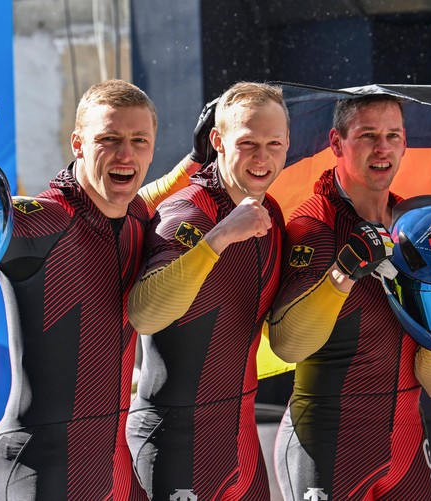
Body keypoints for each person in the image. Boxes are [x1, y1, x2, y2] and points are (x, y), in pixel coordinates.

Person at [0, 81, 200, 500]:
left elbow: (156, 192)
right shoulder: (43, 222)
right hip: (34, 469)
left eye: (138, 140)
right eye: (108, 139)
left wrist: (199, 158)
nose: (125, 154)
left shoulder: (136, 218)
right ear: (78, 144)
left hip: (112, 472)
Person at [268, 94, 431, 500]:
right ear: (337, 143)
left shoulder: (419, 229)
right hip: (325, 444)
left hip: (405, 447)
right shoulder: (315, 225)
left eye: (393, 135)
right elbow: (287, 345)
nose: (383, 148)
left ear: (405, 143)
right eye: (368, 135)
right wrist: (343, 274)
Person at [125, 81, 289, 500]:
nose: (263, 157)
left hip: (239, 441)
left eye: (275, 144)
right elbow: (145, 314)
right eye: (248, 142)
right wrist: (217, 239)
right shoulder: (187, 210)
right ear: (217, 140)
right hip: (172, 439)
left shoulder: (269, 212)